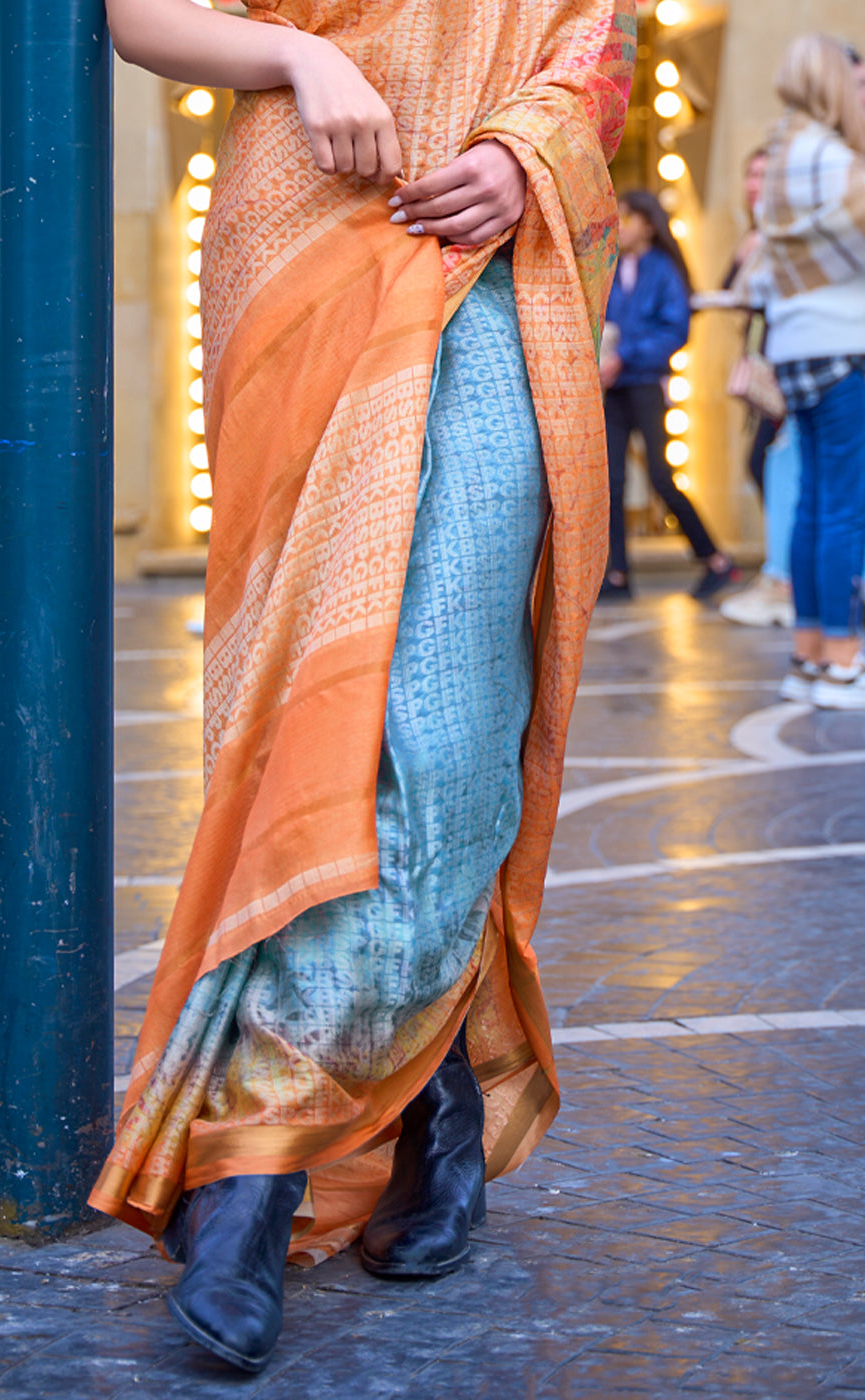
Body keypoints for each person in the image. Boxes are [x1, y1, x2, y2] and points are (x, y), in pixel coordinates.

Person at [89, 0, 634, 1375]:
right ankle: (417, 1101)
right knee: (314, 722)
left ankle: (251, 1171)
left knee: (443, 730)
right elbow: (135, 14)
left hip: (494, 254)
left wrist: (529, 154)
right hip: (300, 242)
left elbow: (590, 41)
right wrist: (297, 51)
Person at [742, 36, 865, 707]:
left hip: (795, 347)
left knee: (815, 503)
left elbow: (767, 273)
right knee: (844, 508)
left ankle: (810, 658)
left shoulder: (784, 153)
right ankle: (844, 661)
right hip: (844, 343)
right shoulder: (834, 157)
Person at [599, 189, 736, 600]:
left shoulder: (663, 270)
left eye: (627, 217)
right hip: (614, 387)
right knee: (612, 481)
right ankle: (617, 574)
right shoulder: (611, 266)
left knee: (661, 475)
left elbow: (675, 330)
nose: (620, 225)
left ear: (647, 223)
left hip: (645, 384)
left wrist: (624, 354)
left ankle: (715, 560)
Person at [718, 147, 795, 629]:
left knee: (781, 460)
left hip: (794, 361)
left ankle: (785, 576)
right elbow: (733, 293)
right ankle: (784, 571)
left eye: (763, 175)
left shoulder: (782, 232)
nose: (753, 184)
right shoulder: (756, 238)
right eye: (749, 174)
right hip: (773, 360)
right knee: (776, 461)